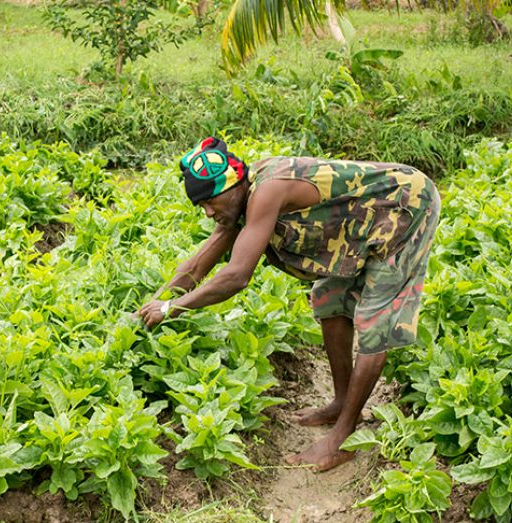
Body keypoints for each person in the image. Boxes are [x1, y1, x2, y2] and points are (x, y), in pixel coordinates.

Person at [138, 137, 441, 472]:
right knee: (329, 298)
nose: (208, 212)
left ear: (233, 186)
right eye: (202, 207)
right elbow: (196, 267)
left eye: (210, 201)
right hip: (358, 225)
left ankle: (343, 439)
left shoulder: (267, 191)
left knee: (373, 322)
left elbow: (237, 275)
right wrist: (154, 303)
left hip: (405, 205)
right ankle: (341, 402)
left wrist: (171, 309)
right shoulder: (238, 204)